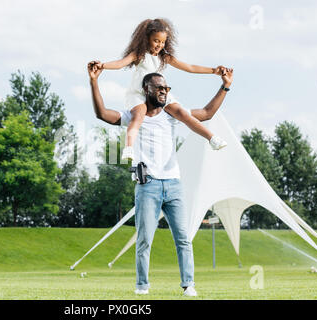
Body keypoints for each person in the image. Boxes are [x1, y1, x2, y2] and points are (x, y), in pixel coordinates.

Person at [87, 60, 233, 296]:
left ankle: (188, 285)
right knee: (144, 240)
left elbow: (205, 114)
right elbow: (102, 114)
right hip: (148, 186)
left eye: (166, 88)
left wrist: (225, 87)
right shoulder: (136, 114)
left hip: (173, 185)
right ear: (147, 90)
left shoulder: (173, 114)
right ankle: (142, 286)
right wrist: (94, 81)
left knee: (183, 239)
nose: (164, 92)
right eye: (159, 88)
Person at [92, 18, 231, 161]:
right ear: (147, 39)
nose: (160, 45)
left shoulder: (164, 57)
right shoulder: (139, 54)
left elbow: (190, 68)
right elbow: (120, 64)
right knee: (139, 115)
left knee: (181, 112)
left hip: (159, 92)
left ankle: (212, 138)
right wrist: (102, 65)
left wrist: (214, 70)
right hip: (140, 93)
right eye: (156, 41)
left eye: (163, 42)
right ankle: (129, 148)